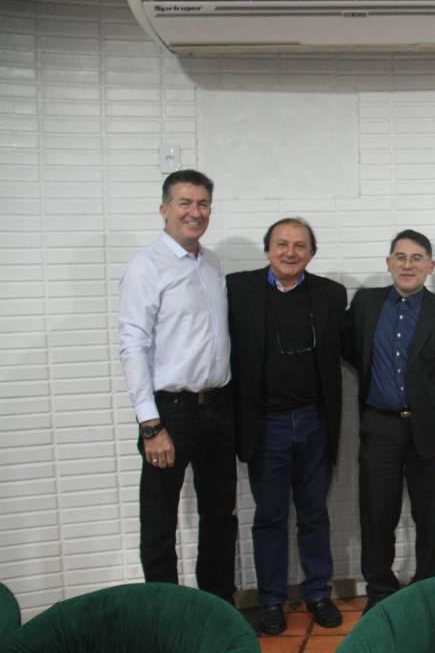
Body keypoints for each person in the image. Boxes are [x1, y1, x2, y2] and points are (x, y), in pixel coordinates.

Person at [118, 169, 237, 602]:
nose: (195, 212)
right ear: (164, 209)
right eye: (185, 203)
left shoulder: (212, 263)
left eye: (203, 203)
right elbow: (133, 345)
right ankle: (166, 616)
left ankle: (217, 609)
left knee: (220, 516)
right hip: (170, 413)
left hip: (217, 408)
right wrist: (150, 424)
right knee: (159, 522)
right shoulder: (146, 266)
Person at [226, 218, 347, 635]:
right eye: (282, 244)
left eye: (299, 246)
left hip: (315, 421)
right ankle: (271, 600)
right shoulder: (238, 290)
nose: (290, 253)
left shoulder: (330, 294)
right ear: (268, 250)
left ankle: (317, 593)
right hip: (266, 425)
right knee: (270, 517)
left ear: (311, 253)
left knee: (314, 514)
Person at [343, 229, 435, 614]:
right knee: (376, 515)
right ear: (388, 263)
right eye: (400, 257)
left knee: (429, 517)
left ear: (430, 267)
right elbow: (350, 350)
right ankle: (380, 591)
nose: (407, 265)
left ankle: (428, 590)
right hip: (380, 428)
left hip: (430, 432)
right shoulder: (365, 304)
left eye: (417, 258)